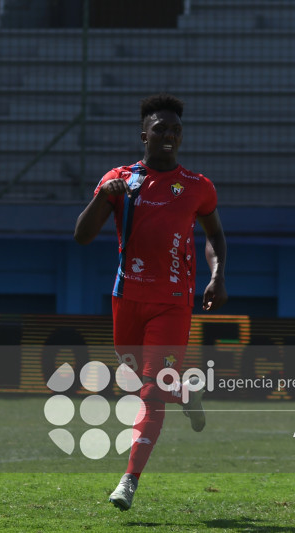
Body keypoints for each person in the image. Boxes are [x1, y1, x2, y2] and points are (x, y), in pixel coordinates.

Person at [74, 93, 228, 511]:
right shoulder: (121, 180)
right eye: (160, 128)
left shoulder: (197, 187)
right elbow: (82, 236)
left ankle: (129, 480)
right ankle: (187, 392)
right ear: (144, 134)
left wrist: (217, 275)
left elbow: (214, 234)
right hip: (127, 297)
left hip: (172, 303)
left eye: (176, 129)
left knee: (149, 394)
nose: (169, 135)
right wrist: (103, 195)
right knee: (136, 376)